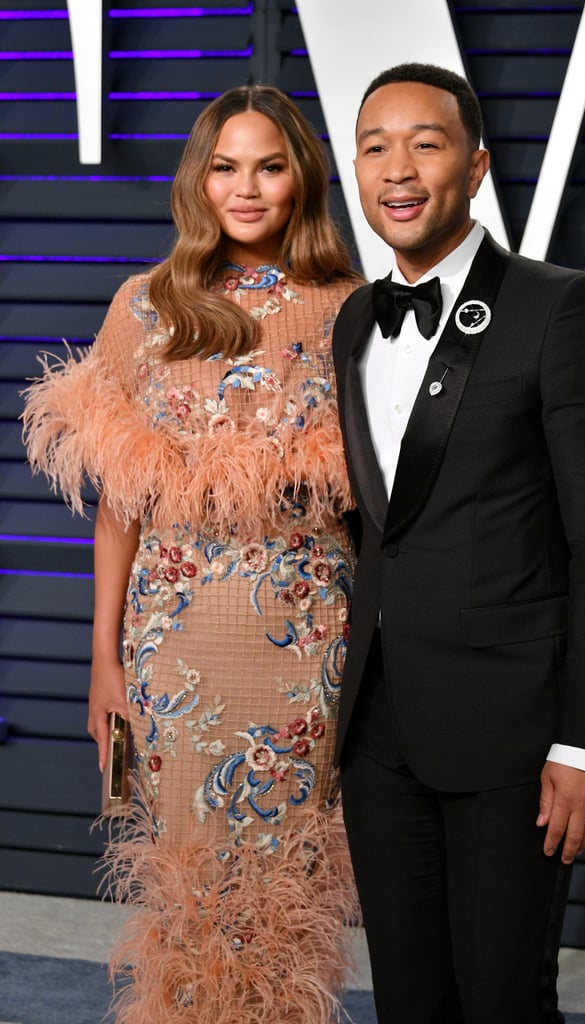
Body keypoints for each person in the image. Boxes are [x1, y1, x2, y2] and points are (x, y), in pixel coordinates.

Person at [23, 85, 362, 1024]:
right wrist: (103, 662)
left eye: (269, 165)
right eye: (224, 166)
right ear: (196, 179)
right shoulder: (143, 308)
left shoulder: (350, 309)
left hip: (307, 645)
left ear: (302, 179)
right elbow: (118, 506)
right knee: (187, 885)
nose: (245, 188)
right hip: (172, 644)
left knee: (288, 884)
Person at [331, 63, 585, 1024]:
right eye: (377, 146)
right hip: (379, 728)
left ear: (473, 166)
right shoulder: (352, 319)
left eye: (424, 143)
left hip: (514, 732)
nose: (399, 169)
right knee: (410, 1000)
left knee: (504, 1000)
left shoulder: (561, 307)